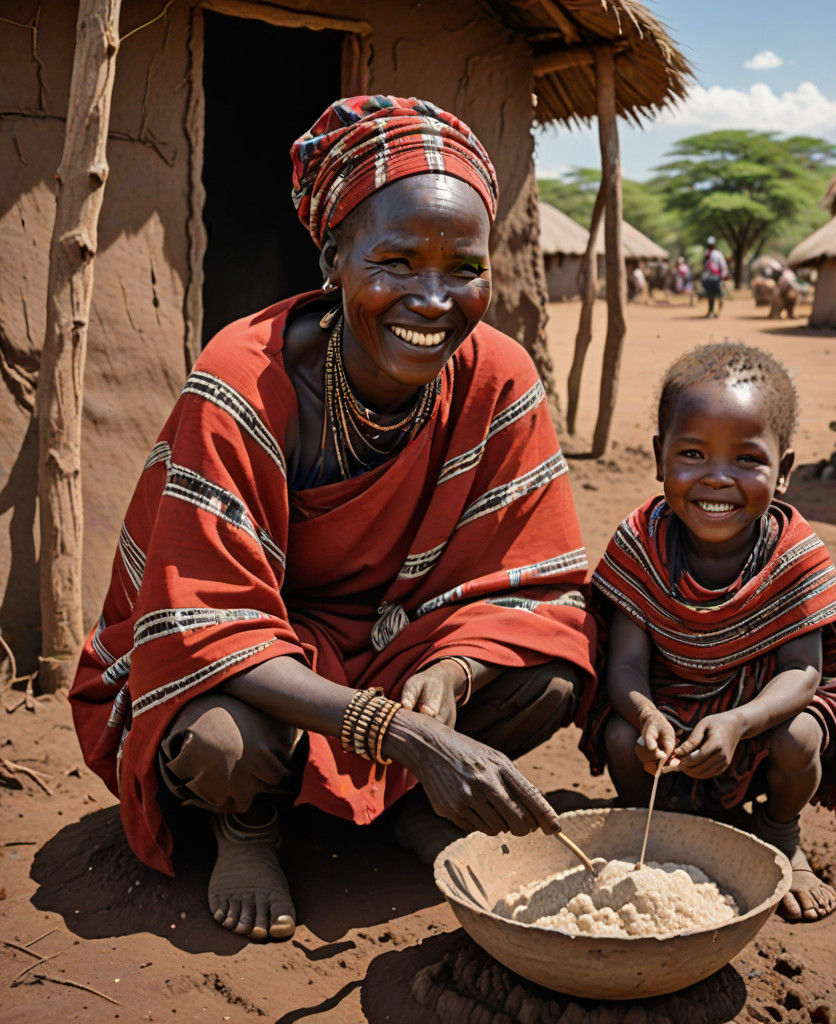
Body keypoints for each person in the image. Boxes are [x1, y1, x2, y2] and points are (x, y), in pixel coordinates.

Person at [69, 96, 596, 942]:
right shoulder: (244, 379)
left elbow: (533, 581)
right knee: (219, 745)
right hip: (257, 657)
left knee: (550, 675)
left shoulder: (496, 378)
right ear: (334, 258)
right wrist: (398, 730)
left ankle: (407, 808)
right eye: (395, 262)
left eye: (464, 267)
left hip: (403, 639)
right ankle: (248, 826)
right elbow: (199, 623)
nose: (433, 300)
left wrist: (457, 671)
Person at [578, 341, 836, 923]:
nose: (717, 479)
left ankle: (780, 834)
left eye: (746, 460)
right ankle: (667, 833)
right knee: (617, 738)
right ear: (660, 456)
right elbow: (627, 667)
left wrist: (739, 722)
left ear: (783, 471)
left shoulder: (792, 552)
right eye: (692, 453)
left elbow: (802, 673)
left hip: (758, 723)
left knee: (803, 738)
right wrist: (646, 719)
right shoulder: (642, 542)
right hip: (672, 726)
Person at [700, 236, 729, 317]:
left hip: (715, 278)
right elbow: (723, 266)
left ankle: (715, 312)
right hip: (712, 278)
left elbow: (723, 266)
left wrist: (723, 276)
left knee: (717, 296)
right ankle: (712, 311)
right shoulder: (710, 254)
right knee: (712, 296)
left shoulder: (714, 254)